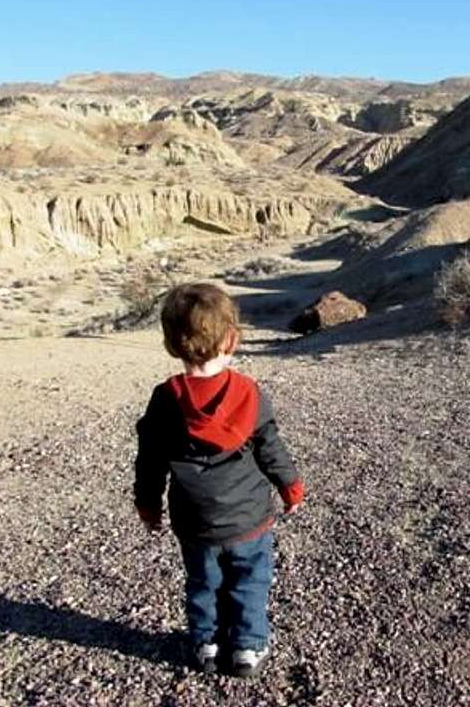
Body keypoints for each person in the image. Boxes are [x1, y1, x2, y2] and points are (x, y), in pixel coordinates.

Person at [133, 282, 304, 678]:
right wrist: (290, 485)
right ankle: (247, 647)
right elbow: (269, 447)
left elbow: (150, 460)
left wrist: (147, 503)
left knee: (203, 582)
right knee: (250, 582)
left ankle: (206, 643)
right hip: (248, 519)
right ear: (232, 340)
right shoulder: (248, 393)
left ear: (171, 344)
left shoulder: (165, 399)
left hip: (195, 521)